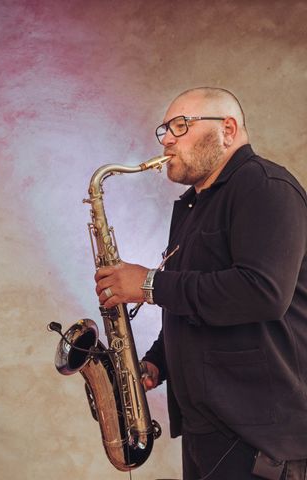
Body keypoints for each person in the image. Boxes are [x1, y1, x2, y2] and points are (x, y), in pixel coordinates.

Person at [94, 88, 307, 479]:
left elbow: (262, 292)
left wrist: (148, 285)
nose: (168, 139)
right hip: (210, 430)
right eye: (166, 129)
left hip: (260, 438)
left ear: (228, 129)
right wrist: (158, 361)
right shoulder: (195, 206)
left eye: (181, 125)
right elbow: (198, 301)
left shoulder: (266, 187)